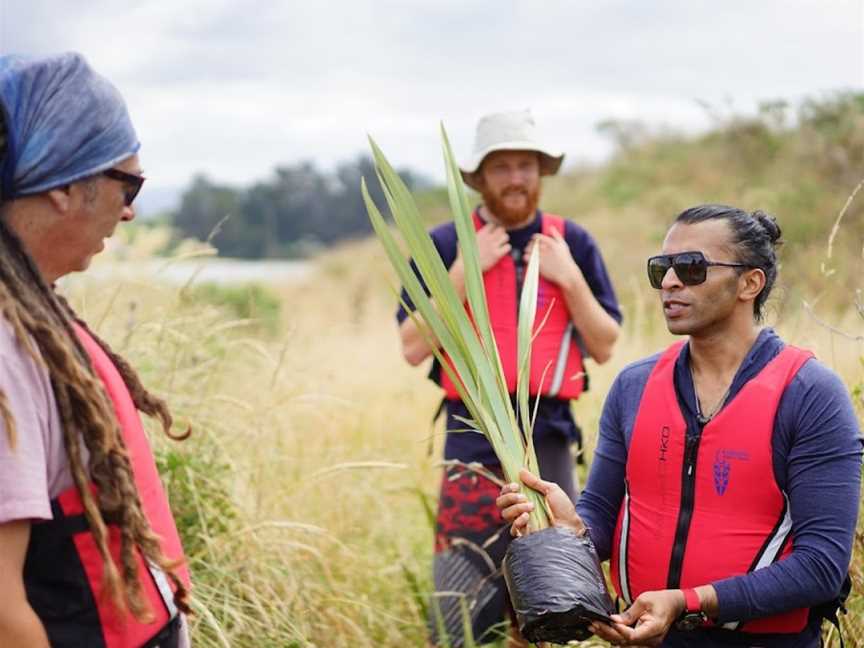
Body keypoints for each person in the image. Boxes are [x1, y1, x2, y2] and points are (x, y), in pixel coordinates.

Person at [498, 204, 863, 647]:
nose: (670, 282)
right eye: (662, 269)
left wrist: (688, 601)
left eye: (691, 268)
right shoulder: (634, 387)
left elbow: (822, 566)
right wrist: (567, 530)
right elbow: (601, 519)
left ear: (750, 282)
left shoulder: (808, 393)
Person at [396, 109, 622, 645]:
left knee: (555, 591)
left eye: (526, 165)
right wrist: (463, 271)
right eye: (502, 167)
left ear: (541, 172)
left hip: (549, 433)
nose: (516, 178)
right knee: (464, 586)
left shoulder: (573, 243)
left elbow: (605, 344)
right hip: (470, 431)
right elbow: (410, 347)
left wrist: (569, 279)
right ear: (478, 177)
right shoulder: (447, 242)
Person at [0, 53, 191, 647]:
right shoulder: (5, 347)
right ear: (60, 185)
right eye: (126, 183)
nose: (130, 209)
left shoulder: (31, 306)